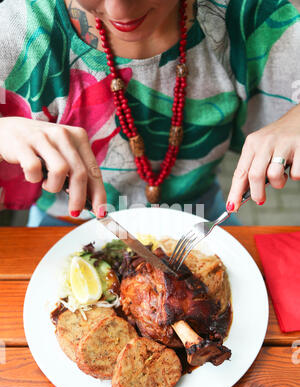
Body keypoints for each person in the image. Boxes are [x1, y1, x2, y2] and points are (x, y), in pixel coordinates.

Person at [0, 0, 300, 227]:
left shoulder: (247, 12)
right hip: (64, 224)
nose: (120, 11)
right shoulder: (18, 26)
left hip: (201, 218)